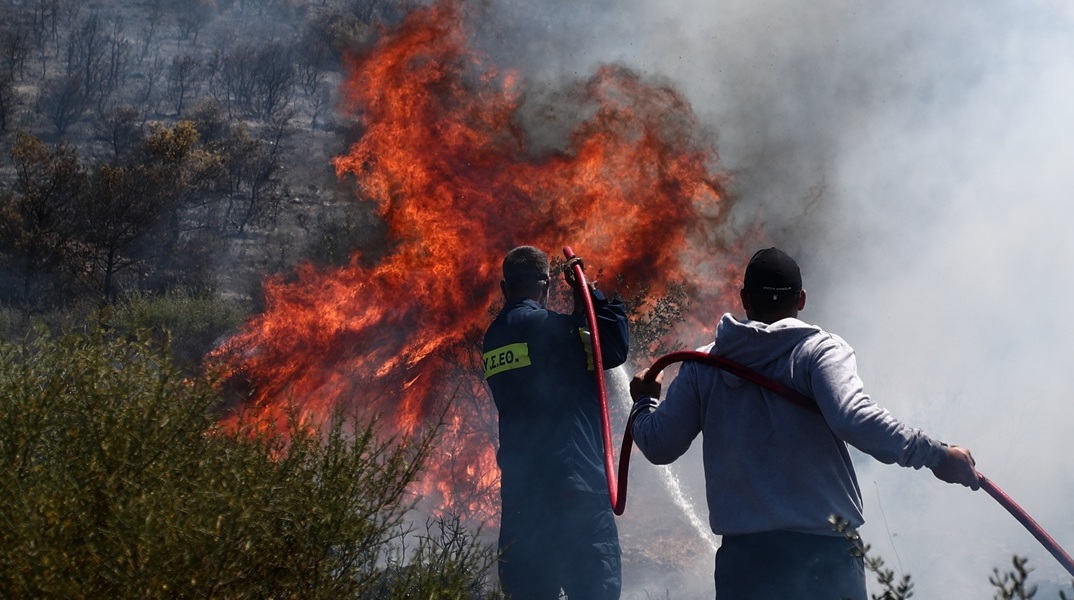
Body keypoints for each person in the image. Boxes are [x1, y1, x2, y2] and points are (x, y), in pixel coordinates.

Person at [628, 247, 979, 600]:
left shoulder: (703, 364)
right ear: (802, 299)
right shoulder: (819, 351)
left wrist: (644, 399)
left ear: (745, 298)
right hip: (825, 557)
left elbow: (659, 445)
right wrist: (938, 455)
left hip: (747, 565)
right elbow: (853, 417)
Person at [483, 245, 630, 600]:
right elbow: (612, 346)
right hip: (574, 491)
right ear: (546, 286)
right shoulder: (552, 329)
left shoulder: (493, 338)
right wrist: (588, 293)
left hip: (522, 499)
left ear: (505, 288)